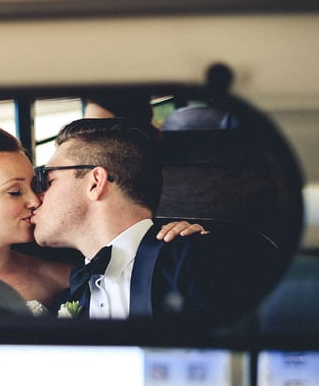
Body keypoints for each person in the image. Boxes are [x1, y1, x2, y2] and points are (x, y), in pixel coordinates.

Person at [0, 124, 204, 314]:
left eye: (39, 185)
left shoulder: (65, 278)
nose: (35, 200)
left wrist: (172, 237)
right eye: (14, 192)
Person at [31, 117, 279, 324]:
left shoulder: (198, 258)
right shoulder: (69, 299)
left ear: (95, 182)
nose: (35, 198)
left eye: (48, 181)